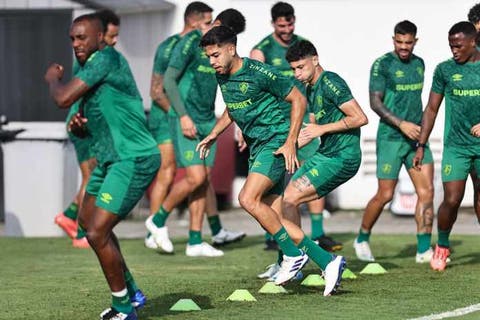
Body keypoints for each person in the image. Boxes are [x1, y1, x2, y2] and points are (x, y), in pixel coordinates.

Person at [198, 25, 346, 296]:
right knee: (275, 217)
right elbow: (233, 109)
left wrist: (290, 142)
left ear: (231, 49)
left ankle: (292, 255)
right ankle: (328, 261)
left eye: (216, 55)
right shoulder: (222, 75)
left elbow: (298, 99)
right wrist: (213, 135)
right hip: (257, 146)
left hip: (274, 144)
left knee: (247, 199)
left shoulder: (258, 71)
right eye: (208, 57)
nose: (212, 62)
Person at [45, 14, 159, 319]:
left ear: (100, 37)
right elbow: (84, 117)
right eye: (72, 39)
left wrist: (53, 79)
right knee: (87, 223)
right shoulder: (90, 66)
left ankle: (124, 308)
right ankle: (132, 293)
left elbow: (62, 98)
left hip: (134, 157)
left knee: (97, 232)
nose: (76, 44)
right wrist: (80, 124)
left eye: (82, 37)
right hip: (110, 159)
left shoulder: (105, 58)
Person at [145, 6, 246, 257]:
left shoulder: (226, 52)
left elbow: (232, 90)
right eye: (227, 31)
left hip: (206, 121)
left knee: (203, 182)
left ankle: (195, 241)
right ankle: (156, 221)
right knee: (195, 178)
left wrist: (240, 125)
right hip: (185, 119)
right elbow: (168, 81)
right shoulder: (191, 42)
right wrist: (183, 116)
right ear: (217, 23)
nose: (229, 39)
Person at [250, 1, 341, 252]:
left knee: (311, 174)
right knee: (275, 179)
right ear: (273, 24)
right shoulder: (262, 50)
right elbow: (254, 87)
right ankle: (274, 232)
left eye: (290, 23)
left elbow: (313, 82)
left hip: (304, 123)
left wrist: (315, 115)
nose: (287, 29)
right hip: (275, 125)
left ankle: (319, 233)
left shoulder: (303, 45)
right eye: (282, 25)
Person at [283, 38, 367, 291]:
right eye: (293, 69)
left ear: (315, 60)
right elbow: (311, 126)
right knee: (286, 200)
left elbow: (360, 118)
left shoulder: (331, 82)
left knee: (289, 200)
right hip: (325, 153)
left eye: (301, 67)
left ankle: (305, 258)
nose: (297, 74)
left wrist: (322, 129)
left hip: (343, 157)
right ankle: (292, 257)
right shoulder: (309, 87)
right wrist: (292, 144)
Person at [353, 21, 435, 264]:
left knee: (427, 191)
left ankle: (423, 250)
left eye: (408, 43)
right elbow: (375, 103)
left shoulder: (420, 64)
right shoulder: (382, 65)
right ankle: (362, 237)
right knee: (385, 194)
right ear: (393, 40)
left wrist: (420, 133)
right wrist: (401, 124)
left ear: (415, 42)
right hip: (390, 138)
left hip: (417, 140)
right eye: (399, 42)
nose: (403, 47)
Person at [413, 21, 480, 271]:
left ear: (473, 42)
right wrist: (420, 144)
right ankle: (442, 244)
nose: (454, 50)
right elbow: (431, 109)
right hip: (457, 147)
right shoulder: (445, 70)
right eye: (451, 46)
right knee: (452, 198)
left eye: (459, 46)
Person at [54, 9, 121, 249]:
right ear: (99, 34)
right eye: (111, 36)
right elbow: (69, 97)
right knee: (91, 177)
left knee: (94, 176)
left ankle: (70, 217)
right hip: (81, 125)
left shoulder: (99, 58)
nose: (114, 42)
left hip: (91, 126)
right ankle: (81, 231)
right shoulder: (90, 59)